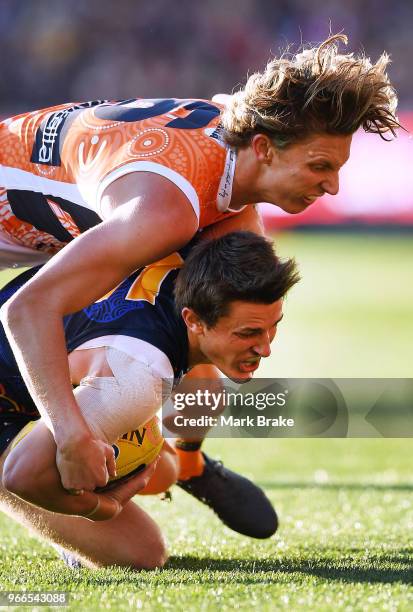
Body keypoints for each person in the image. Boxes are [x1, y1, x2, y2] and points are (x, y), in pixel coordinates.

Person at [0, 34, 399, 492]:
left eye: (337, 169)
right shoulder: (166, 213)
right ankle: (42, 471)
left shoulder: (236, 139)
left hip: (77, 211)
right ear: (265, 149)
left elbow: (226, 103)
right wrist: (71, 438)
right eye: (319, 167)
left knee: (216, 339)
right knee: (136, 379)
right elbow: (27, 309)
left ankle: (186, 463)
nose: (333, 188)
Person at [0, 231, 299, 567]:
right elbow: (23, 474)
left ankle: (189, 466)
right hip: (18, 397)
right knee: (142, 553)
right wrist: (100, 507)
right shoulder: (140, 377)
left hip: (51, 355)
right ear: (193, 319)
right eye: (248, 333)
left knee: (169, 456)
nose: (266, 348)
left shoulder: (183, 249)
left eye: (273, 326)